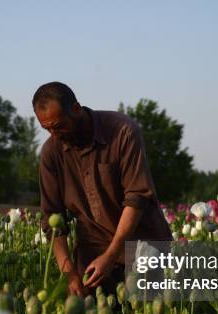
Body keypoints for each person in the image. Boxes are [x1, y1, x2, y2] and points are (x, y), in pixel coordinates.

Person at [34, 82, 172, 297]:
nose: (54, 134)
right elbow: (53, 222)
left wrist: (111, 255)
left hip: (142, 248)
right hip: (92, 256)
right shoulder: (51, 153)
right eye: (47, 128)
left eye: (59, 126)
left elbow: (137, 198)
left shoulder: (123, 132)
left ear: (77, 109)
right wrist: (69, 273)